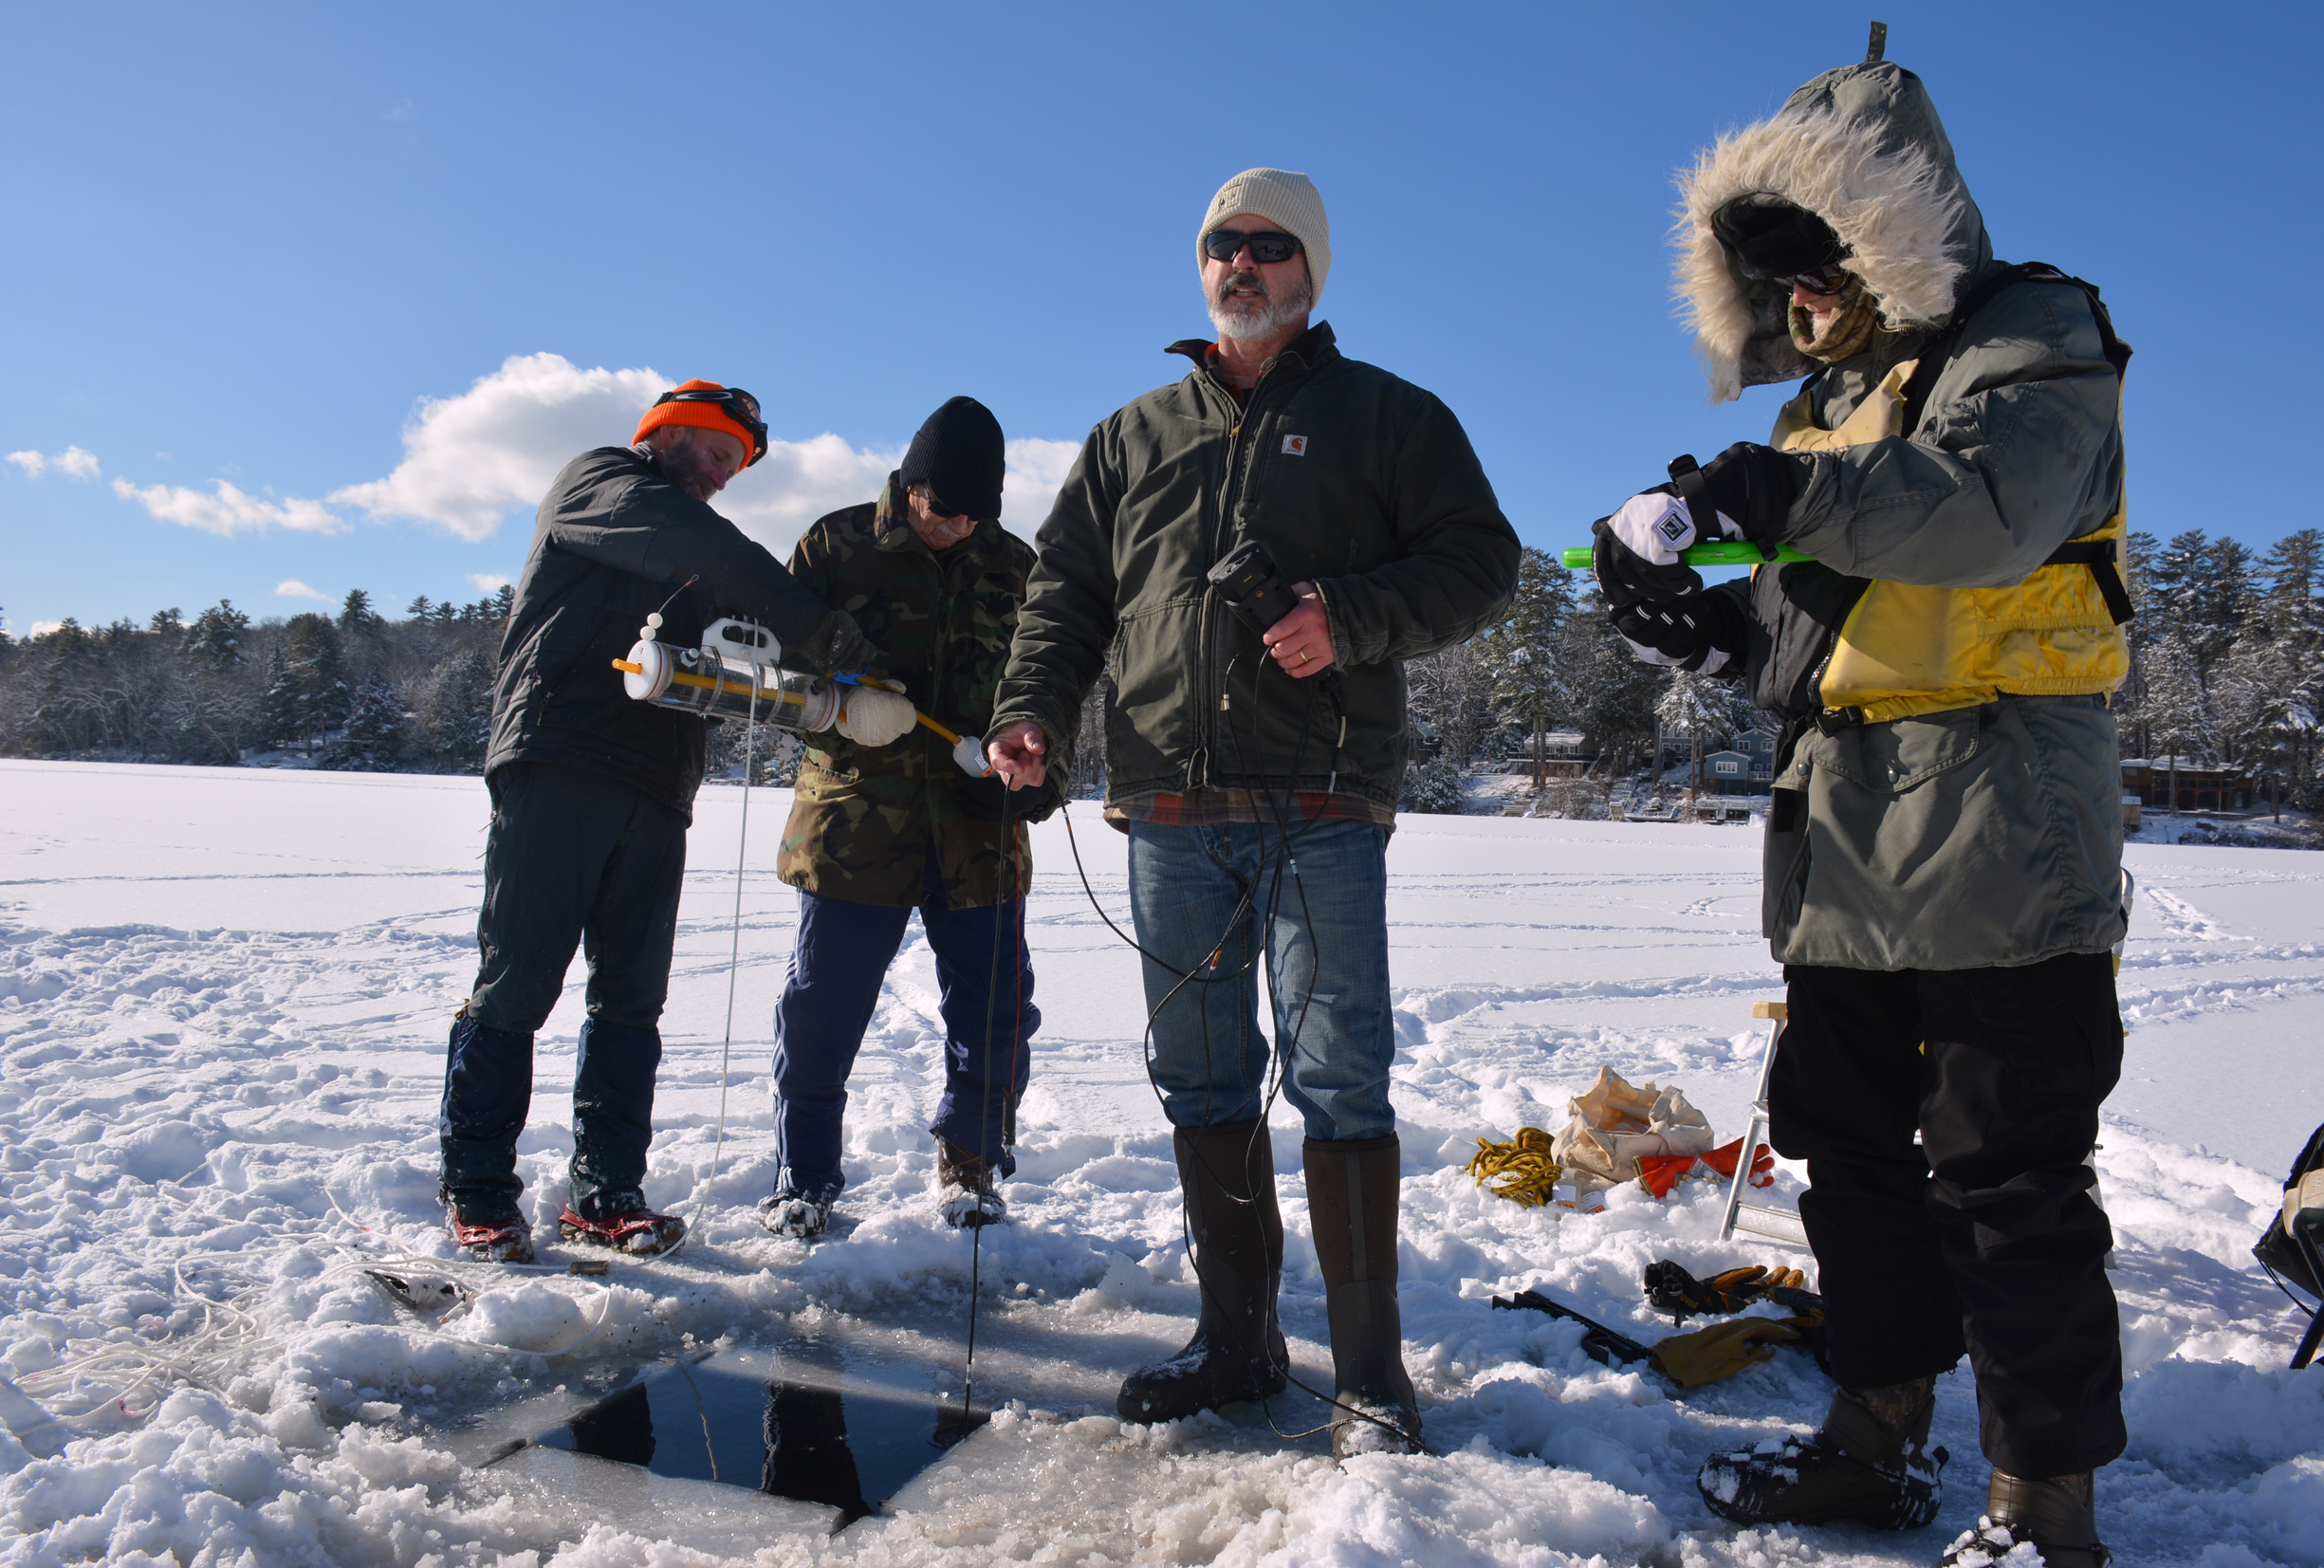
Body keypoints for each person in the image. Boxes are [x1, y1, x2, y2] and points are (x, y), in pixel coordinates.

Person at [1592, 30, 2131, 1568]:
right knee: (1854, 1158)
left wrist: (1765, 498)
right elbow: (1819, 627)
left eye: (1817, 266)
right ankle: (1876, 1425)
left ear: (1887, 231)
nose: (1801, 304)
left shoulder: (2037, 337)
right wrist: (1696, 613)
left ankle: (2045, 1513)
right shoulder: (1821, 407)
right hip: (1842, 855)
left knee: (2009, 1176)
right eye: (1776, 284)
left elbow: (1981, 511)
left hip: (2000, 845)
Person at [985, 169, 1519, 1457]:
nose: (1244, 264)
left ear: (1312, 268)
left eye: (1271, 247)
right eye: (1225, 245)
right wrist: (1032, 710)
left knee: (1340, 1077)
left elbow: (1480, 563)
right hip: (1168, 806)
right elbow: (1065, 593)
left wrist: (1348, 617)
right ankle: (1238, 1343)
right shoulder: (1136, 432)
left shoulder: (1390, 418)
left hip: (1323, 801)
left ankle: (1371, 1376)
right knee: (1200, 1074)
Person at [440, 381, 908, 1263]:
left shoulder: (693, 553)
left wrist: (830, 690)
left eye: (737, 465)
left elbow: (732, 659)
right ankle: (478, 1188)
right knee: (518, 982)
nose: (726, 477)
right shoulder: (600, 484)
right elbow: (706, 546)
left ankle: (607, 1192)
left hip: (656, 784)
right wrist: (823, 631)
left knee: (632, 997)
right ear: (671, 431)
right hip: (559, 759)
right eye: (720, 454)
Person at [763, 397, 1061, 1241]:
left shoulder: (1019, 567)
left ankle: (970, 1163)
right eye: (945, 511)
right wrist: (838, 709)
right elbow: (775, 683)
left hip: (979, 834)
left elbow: (1056, 697)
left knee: (995, 1010)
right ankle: (805, 1176)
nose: (960, 529)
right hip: (855, 826)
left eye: (977, 514)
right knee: (822, 1005)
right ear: (911, 486)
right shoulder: (834, 544)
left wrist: (1035, 780)